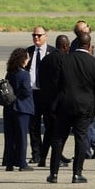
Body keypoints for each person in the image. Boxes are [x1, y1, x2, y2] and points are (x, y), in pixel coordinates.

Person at [48, 32, 95, 184]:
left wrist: (53, 107)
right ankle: (77, 173)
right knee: (81, 140)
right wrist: (93, 107)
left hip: (64, 105)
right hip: (85, 107)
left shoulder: (65, 60)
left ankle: (53, 174)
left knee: (59, 139)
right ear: (89, 45)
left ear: (77, 44)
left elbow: (55, 84)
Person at [38, 34, 70, 168]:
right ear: (65, 46)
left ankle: (42, 158)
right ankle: (57, 157)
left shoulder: (45, 60)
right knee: (61, 133)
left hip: (46, 101)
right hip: (60, 102)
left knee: (49, 131)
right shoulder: (66, 60)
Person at [26, 26, 55, 165]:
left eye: (39, 35)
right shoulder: (28, 52)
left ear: (45, 36)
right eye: (34, 35)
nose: (36, 38)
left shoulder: (53, 52)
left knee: (51, 125)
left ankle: (53, 153)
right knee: (33, 126)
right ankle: (36, 154)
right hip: (32, 94)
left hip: (48, 95)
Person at [3, 47, 34, 171]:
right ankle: (22, 163)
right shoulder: (24, 74)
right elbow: (26, 91)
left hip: (9, 108)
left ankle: (9, 162)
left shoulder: (10, 72)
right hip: (22, 108)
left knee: (10, 136)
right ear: (23, 59)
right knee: (21, 137)